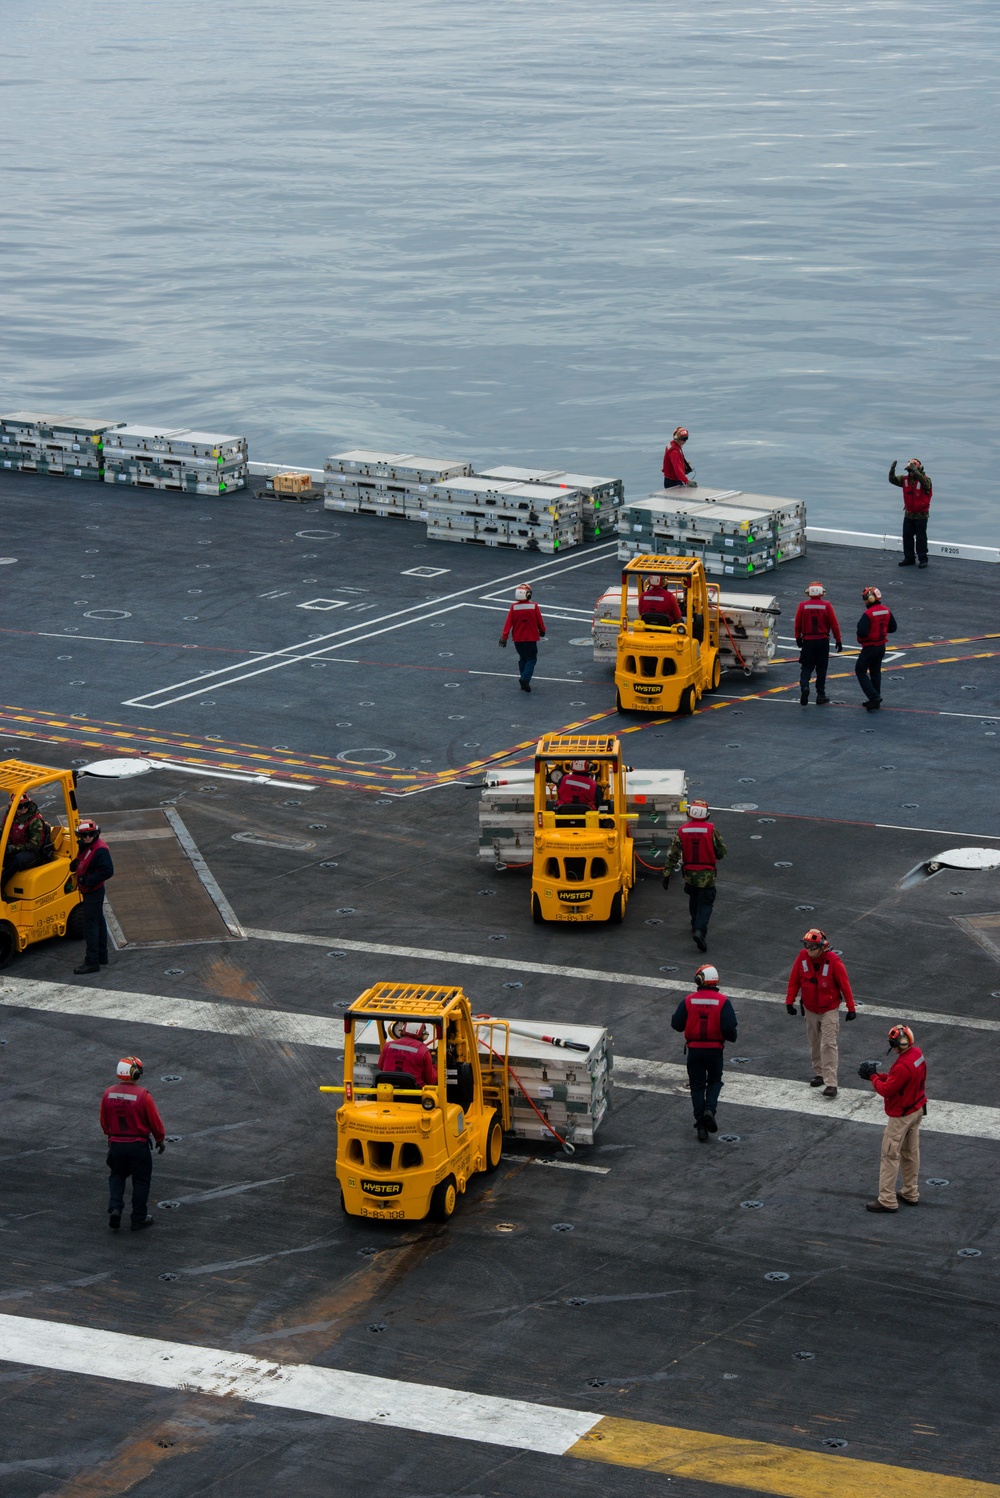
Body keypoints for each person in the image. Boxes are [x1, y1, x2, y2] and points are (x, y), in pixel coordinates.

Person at [859, 1025, 927, 1212]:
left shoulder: (902, 1064)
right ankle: (910, 1193)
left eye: (892, 1043)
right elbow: (899, 1080)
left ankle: (887, 1200)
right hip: (917, 1108)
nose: (891, 1046)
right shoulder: (916, 1054)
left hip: (902, 1116)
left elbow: (887, 1089)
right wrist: (879, 1076)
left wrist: (873, 1077)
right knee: (911, 1153)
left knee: (890, 1156)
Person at [785, 928, 856, 1098]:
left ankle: (831, 1083)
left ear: (822, 947)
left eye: (812, 947)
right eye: (807, 946)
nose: (808, 950)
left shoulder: (834, 962)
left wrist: (851, 1008)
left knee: (828, 1044)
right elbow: (794, 980)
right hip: (810, 1008)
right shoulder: (802, 957)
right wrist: (789, 1000)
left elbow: (845, 986)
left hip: (829, 1010)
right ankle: (820, 1073)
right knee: (814, 1041)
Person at [671, 964, 738, 1141]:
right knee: (715, 1081)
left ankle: (701, 1126)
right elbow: (729, 1028)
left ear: (700, 979)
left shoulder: (689, 1000)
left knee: (697, 1086)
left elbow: (676, 1024)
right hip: (715, 1050)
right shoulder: (723, 1001)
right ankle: (710, 1109)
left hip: (694, 1050)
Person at [100, 1056, 166, 1231]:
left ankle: (115, 1208)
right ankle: (138, 1218)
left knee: (117, 1175)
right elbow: (155, 1122)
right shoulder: (143, 1096)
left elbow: (104, 1121)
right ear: (135, 1073)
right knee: (141, 1181)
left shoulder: (108, 1093)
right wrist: (160, 1140)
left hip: (116, 1144)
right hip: (138, 1146)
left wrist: (111, 1136)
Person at [663, 798, 727, 952]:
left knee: (694, 896)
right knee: (706, 902)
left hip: (689, 874)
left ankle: (694, 923)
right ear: (707, 814)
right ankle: (700, 930)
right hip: (707, 875)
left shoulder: (682, 830)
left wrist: (667, 873)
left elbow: (673, 854)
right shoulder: (711, 829)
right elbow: (722, 852)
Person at [71, 818, 114, 975]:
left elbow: (108, 871)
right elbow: (85, 859)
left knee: (91, 926)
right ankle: (102, 956)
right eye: (84, 835)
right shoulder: (87, 846)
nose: (88, 837)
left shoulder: (100, 849)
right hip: (92, 890)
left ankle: (92, 962)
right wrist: (76, 863)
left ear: (96, 834)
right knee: (99, 922)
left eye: (91, 834)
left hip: (93, 891)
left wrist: (87, 880)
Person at [794, 582, 842, 706]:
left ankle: (805, 686)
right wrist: (838, 640)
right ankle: (821, 695)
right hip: (822, 641)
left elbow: (797, 624)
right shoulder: (827, 605)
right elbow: (834, 624)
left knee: (806, 667)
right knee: (821, 668)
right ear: (821, 593)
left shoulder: (802, 605)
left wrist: (798, 638)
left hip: (808, 641)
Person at [855, 585, 897, 711]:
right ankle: (875, 698)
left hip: (870, 647)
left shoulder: (868, 613)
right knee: (875, 672)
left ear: (870, 599)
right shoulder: (886, 610)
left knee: (860, 670)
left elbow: (861, 632)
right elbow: (893, 628)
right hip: (881, 646)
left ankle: (874, 697)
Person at [499, 582, 547, 693]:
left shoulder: (513, 607)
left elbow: (508, 623)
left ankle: (523, 680)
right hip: (530, 638)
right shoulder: (533, 606)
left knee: (522, 658)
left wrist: (504, 637)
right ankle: (525, 679)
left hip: (518, 639)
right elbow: (540, 621)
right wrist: (542, 630)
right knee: (531, 659)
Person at [889, 459, 932, 569]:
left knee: (921, 538)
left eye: (912, 470)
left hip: (921, 515)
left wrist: (917, 473)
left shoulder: (926, 480)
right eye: (909, 470)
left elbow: (926, 486)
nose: (910, 473)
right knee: (907, 536)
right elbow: (892, 480)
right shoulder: (905, 480)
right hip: (909, 514)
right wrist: (892, 470)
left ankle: (923, 559)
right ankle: (909, 558)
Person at [2, 794, 46, 892]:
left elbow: (34, 845)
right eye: (19, 806)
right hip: (14, 845)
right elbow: (4, 829)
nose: (23, 809)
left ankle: (2, 884)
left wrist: (14, 848)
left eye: (26, 805)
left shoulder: (35, 821)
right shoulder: (10, 815)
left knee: (16, 860)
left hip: (32, 851)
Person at [378, 1021, 438, 1086]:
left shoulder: (388, 1045)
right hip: (414, 1094)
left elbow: (381, 1066)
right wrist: (435, 1067)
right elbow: (431, 1080)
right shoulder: (424, 1052)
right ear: (423, 1035)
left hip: (388, 1091)